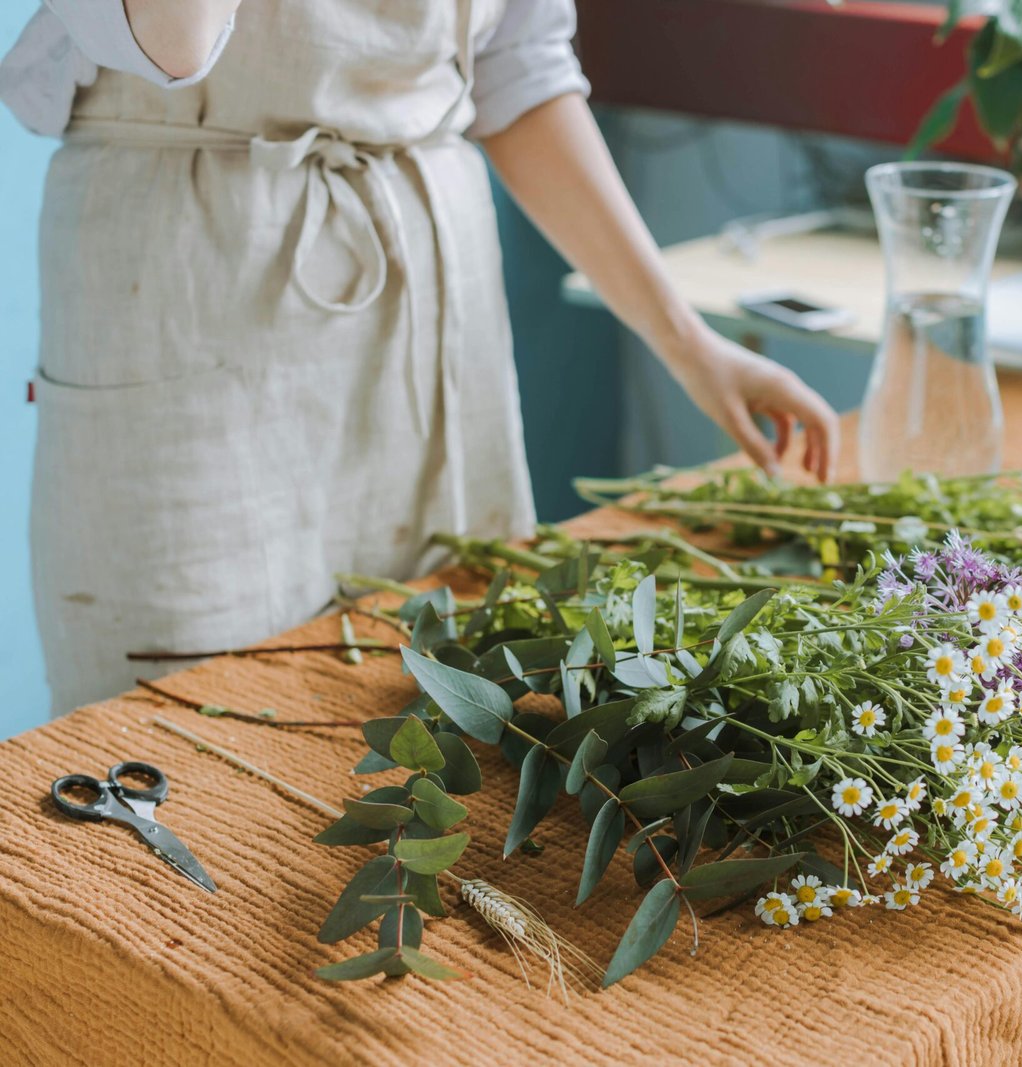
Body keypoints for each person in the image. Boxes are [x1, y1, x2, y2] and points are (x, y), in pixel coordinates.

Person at [1, 0, 839, 716]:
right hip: (189, 289)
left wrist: (690, 346)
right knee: (177, 721)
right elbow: (172, 39)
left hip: (427, 299)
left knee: (433, 715)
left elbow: (518, 71)